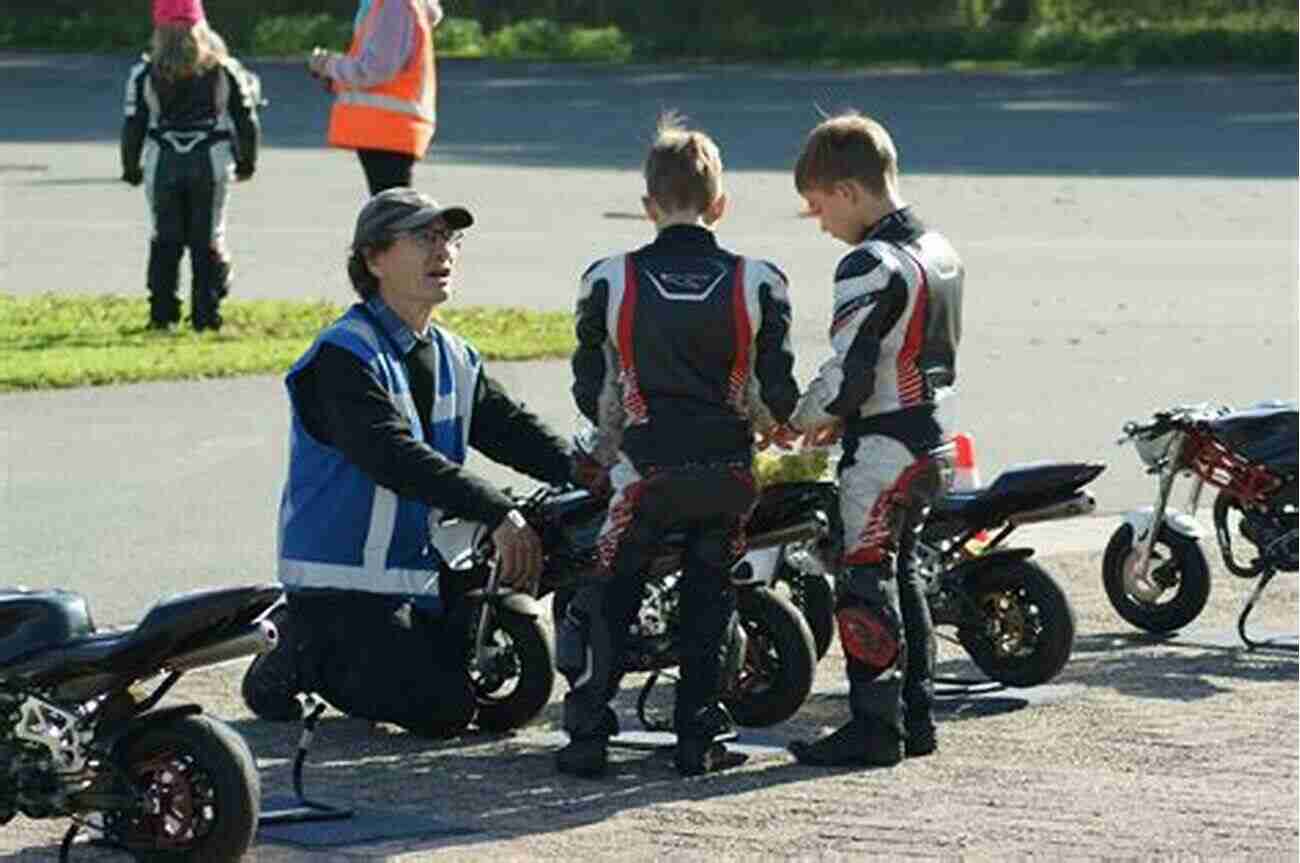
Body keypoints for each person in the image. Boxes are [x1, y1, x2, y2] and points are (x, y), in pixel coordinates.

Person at [242, 187, 582, 737]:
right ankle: (294, 652)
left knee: (476, 671)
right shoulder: (342, 357)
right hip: (341, 590)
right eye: (422, 237)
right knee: (443, 710)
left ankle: (393, 652)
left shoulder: (452, 352)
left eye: (448, 237)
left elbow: (513, 432)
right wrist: (497, 511)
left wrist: (597, 474)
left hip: (419, 579)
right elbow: (394, 457)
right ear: (374, 259)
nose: (441, 250)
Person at [557, 113, 801, 778]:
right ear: (719, 204)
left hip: (647, 474)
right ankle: (697, 738)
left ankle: (587, 735)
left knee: (610, 593)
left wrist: (609, 450)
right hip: (729, 473)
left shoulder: (607, 278)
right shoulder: (761, 281)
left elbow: (594, 390)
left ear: (648, 206)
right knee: (709, 599)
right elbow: (775, 394)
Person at [782, 112, 964, 767]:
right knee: (905, 575)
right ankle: (916, 719)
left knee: (864, 582)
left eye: (820, 205)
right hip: (933, 438)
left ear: (851, 191)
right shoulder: (939, 249)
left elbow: (850, 372)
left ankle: (873, 728)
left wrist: (799, 417)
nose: (820, 221)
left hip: (884, 448)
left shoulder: (870, 261)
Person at [121, 0, 259, 331]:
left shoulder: (143, 73)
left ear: (158, 30)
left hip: (163, 162)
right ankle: (206, 315)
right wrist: (247, 162)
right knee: (207, 237)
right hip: (209, 162)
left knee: (164, 237)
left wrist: (130, 167)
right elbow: (246, 120)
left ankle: (162, 314)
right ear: (201, 27)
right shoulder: (224, 69)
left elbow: (133, 125)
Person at [307, 0, 445, 195]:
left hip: (387, 128)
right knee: (393, 211)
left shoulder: (394, 5)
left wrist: (328, 65)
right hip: (390, 127)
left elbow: (375, 69)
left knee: (392, 215)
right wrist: (336, 76)